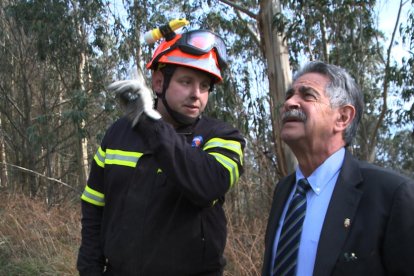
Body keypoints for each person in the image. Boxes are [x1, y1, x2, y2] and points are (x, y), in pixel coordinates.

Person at [77, 27, 245, 276]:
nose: (196, 95)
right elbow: (94, 208)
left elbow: (207, 184)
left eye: (205, 86)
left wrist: (148, 122)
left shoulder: (224, 137)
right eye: (186, 82)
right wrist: (90, 270)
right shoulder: (118, 134)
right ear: (158, 82)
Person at [261, 61, 414, 276]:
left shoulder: (391, 194)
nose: (289, 103)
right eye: (289, 95)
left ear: (342, 118)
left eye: (307, 95)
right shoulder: (284, 191)